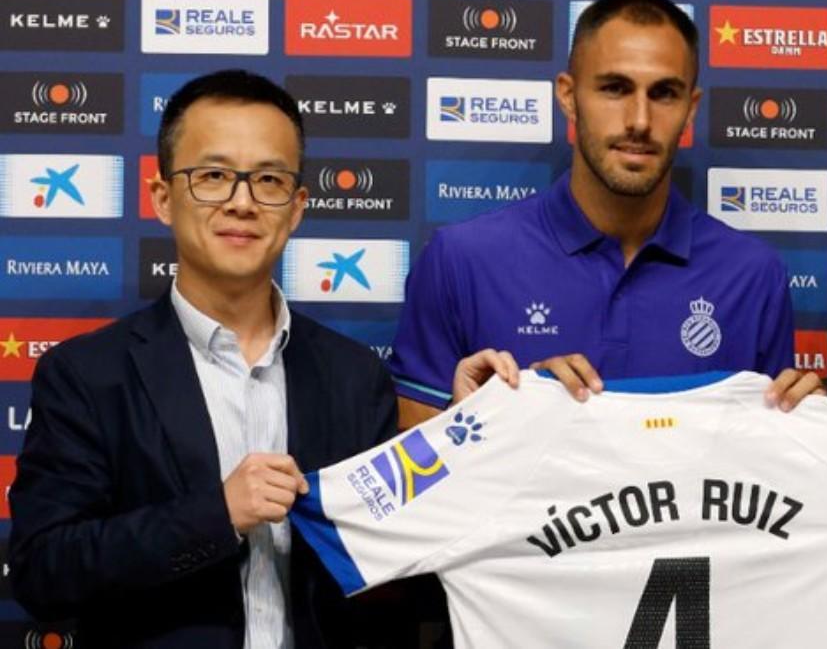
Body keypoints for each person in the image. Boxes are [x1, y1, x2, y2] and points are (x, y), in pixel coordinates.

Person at [7, 70, 515, 649]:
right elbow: (43, 572)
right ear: (163, 198)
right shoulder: (88, 374)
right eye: (214, 176)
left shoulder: (354, 376)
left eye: (269, 180)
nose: (243, 202)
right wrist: (215, 515)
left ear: (297, 207)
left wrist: (463, 441)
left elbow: (402, 571)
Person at [389, 0, 817, 430]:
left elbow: (768, 462)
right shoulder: (460, 259)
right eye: (614, 88)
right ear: (569, 96)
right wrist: (510, 413)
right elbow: (410, 458)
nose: (639, 120)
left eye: (665, 94)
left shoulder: (752, 275)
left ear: (691, 109)